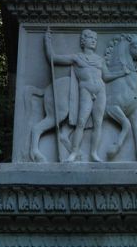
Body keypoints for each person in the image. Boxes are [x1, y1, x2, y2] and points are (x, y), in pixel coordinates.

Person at [45, 28, 129, 162]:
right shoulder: (77, 57)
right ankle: (74, 153)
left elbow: (106, 76)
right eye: (91, 38)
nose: (94, 41)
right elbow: (53, 58)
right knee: (81, 122)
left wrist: (121, 73)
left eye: (95, 39)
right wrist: (47, 41)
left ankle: (94, 154)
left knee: (98, 123)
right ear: (83, 41)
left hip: (100, 90)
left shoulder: (100, 60)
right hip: (86, 89)